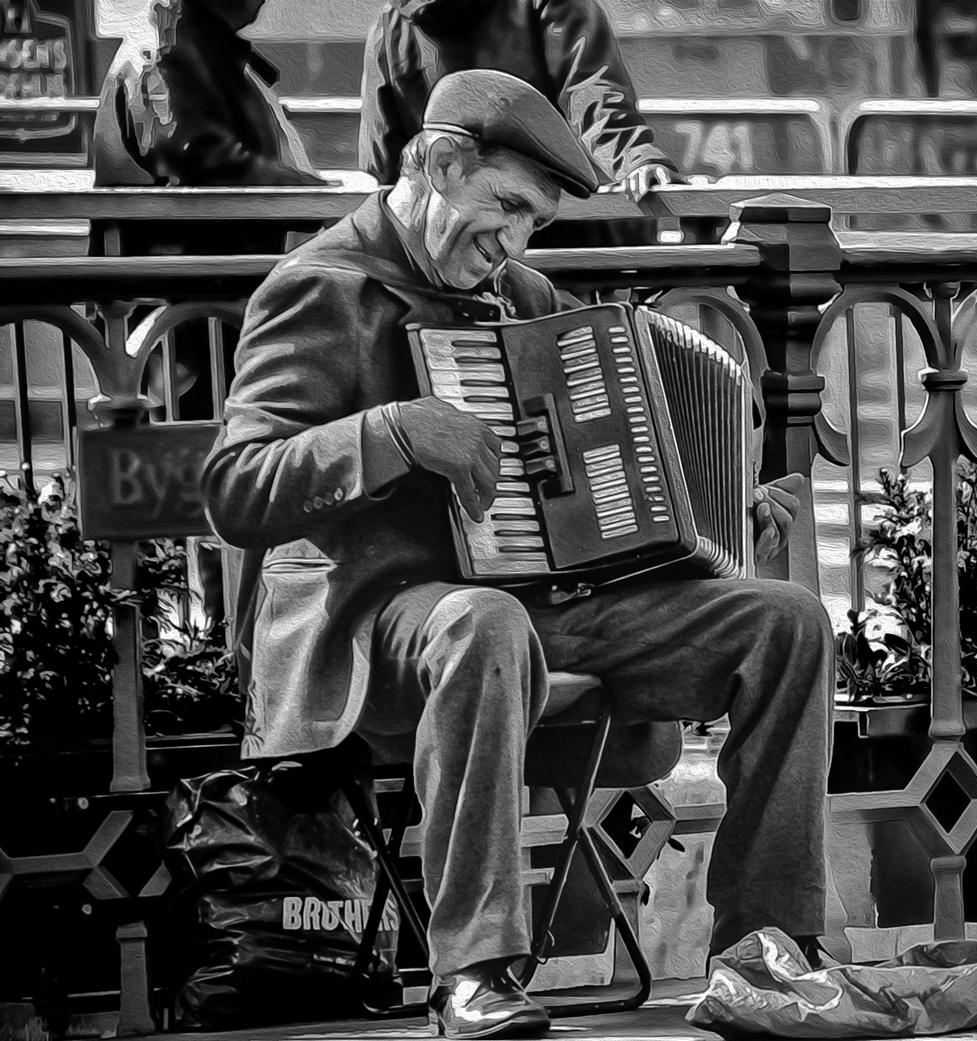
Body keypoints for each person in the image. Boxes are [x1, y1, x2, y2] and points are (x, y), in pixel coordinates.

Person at [203, 69, 834, 1040]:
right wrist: (391, 432)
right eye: (502, 207)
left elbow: (597, 488)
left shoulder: (519, 294)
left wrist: (707, 519)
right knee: (482, 622)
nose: (512, 243)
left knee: (784, 623)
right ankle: (475, 975)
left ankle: (766, 957)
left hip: (547, 607)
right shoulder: (318, 292)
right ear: (439, 163)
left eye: (532, 222)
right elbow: (235, 489)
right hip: (387, 618)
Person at [357, 0, 677, 202]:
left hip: (450, 238)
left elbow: (383, 161)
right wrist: (636, 158)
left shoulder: (391, 29)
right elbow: (591, 93)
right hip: (555, 222)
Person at [93, 0, 329, 255]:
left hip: (203, 270)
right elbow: (202, 160)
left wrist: (312, 195)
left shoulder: (193, 44)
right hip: (185, 280)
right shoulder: (168, 51)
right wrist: (313, 196)